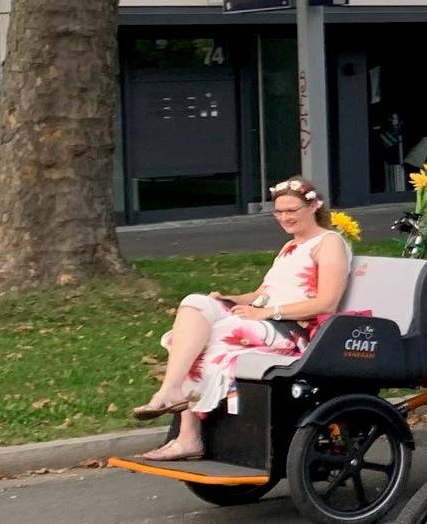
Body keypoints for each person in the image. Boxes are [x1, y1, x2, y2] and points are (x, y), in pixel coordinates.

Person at [131, 178, 355, 461]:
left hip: (293, 331)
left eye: (292, 210)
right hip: (266, 320)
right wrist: (230, 298)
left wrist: (268, 312)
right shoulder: (290, 246)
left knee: (211, 336)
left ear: (313, 206)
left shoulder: (329, 242)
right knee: (195, 304)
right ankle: (170, 390)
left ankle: (188, 436)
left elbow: (327, 302)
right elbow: (261, 294)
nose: (284, 217)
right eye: (279, 211)